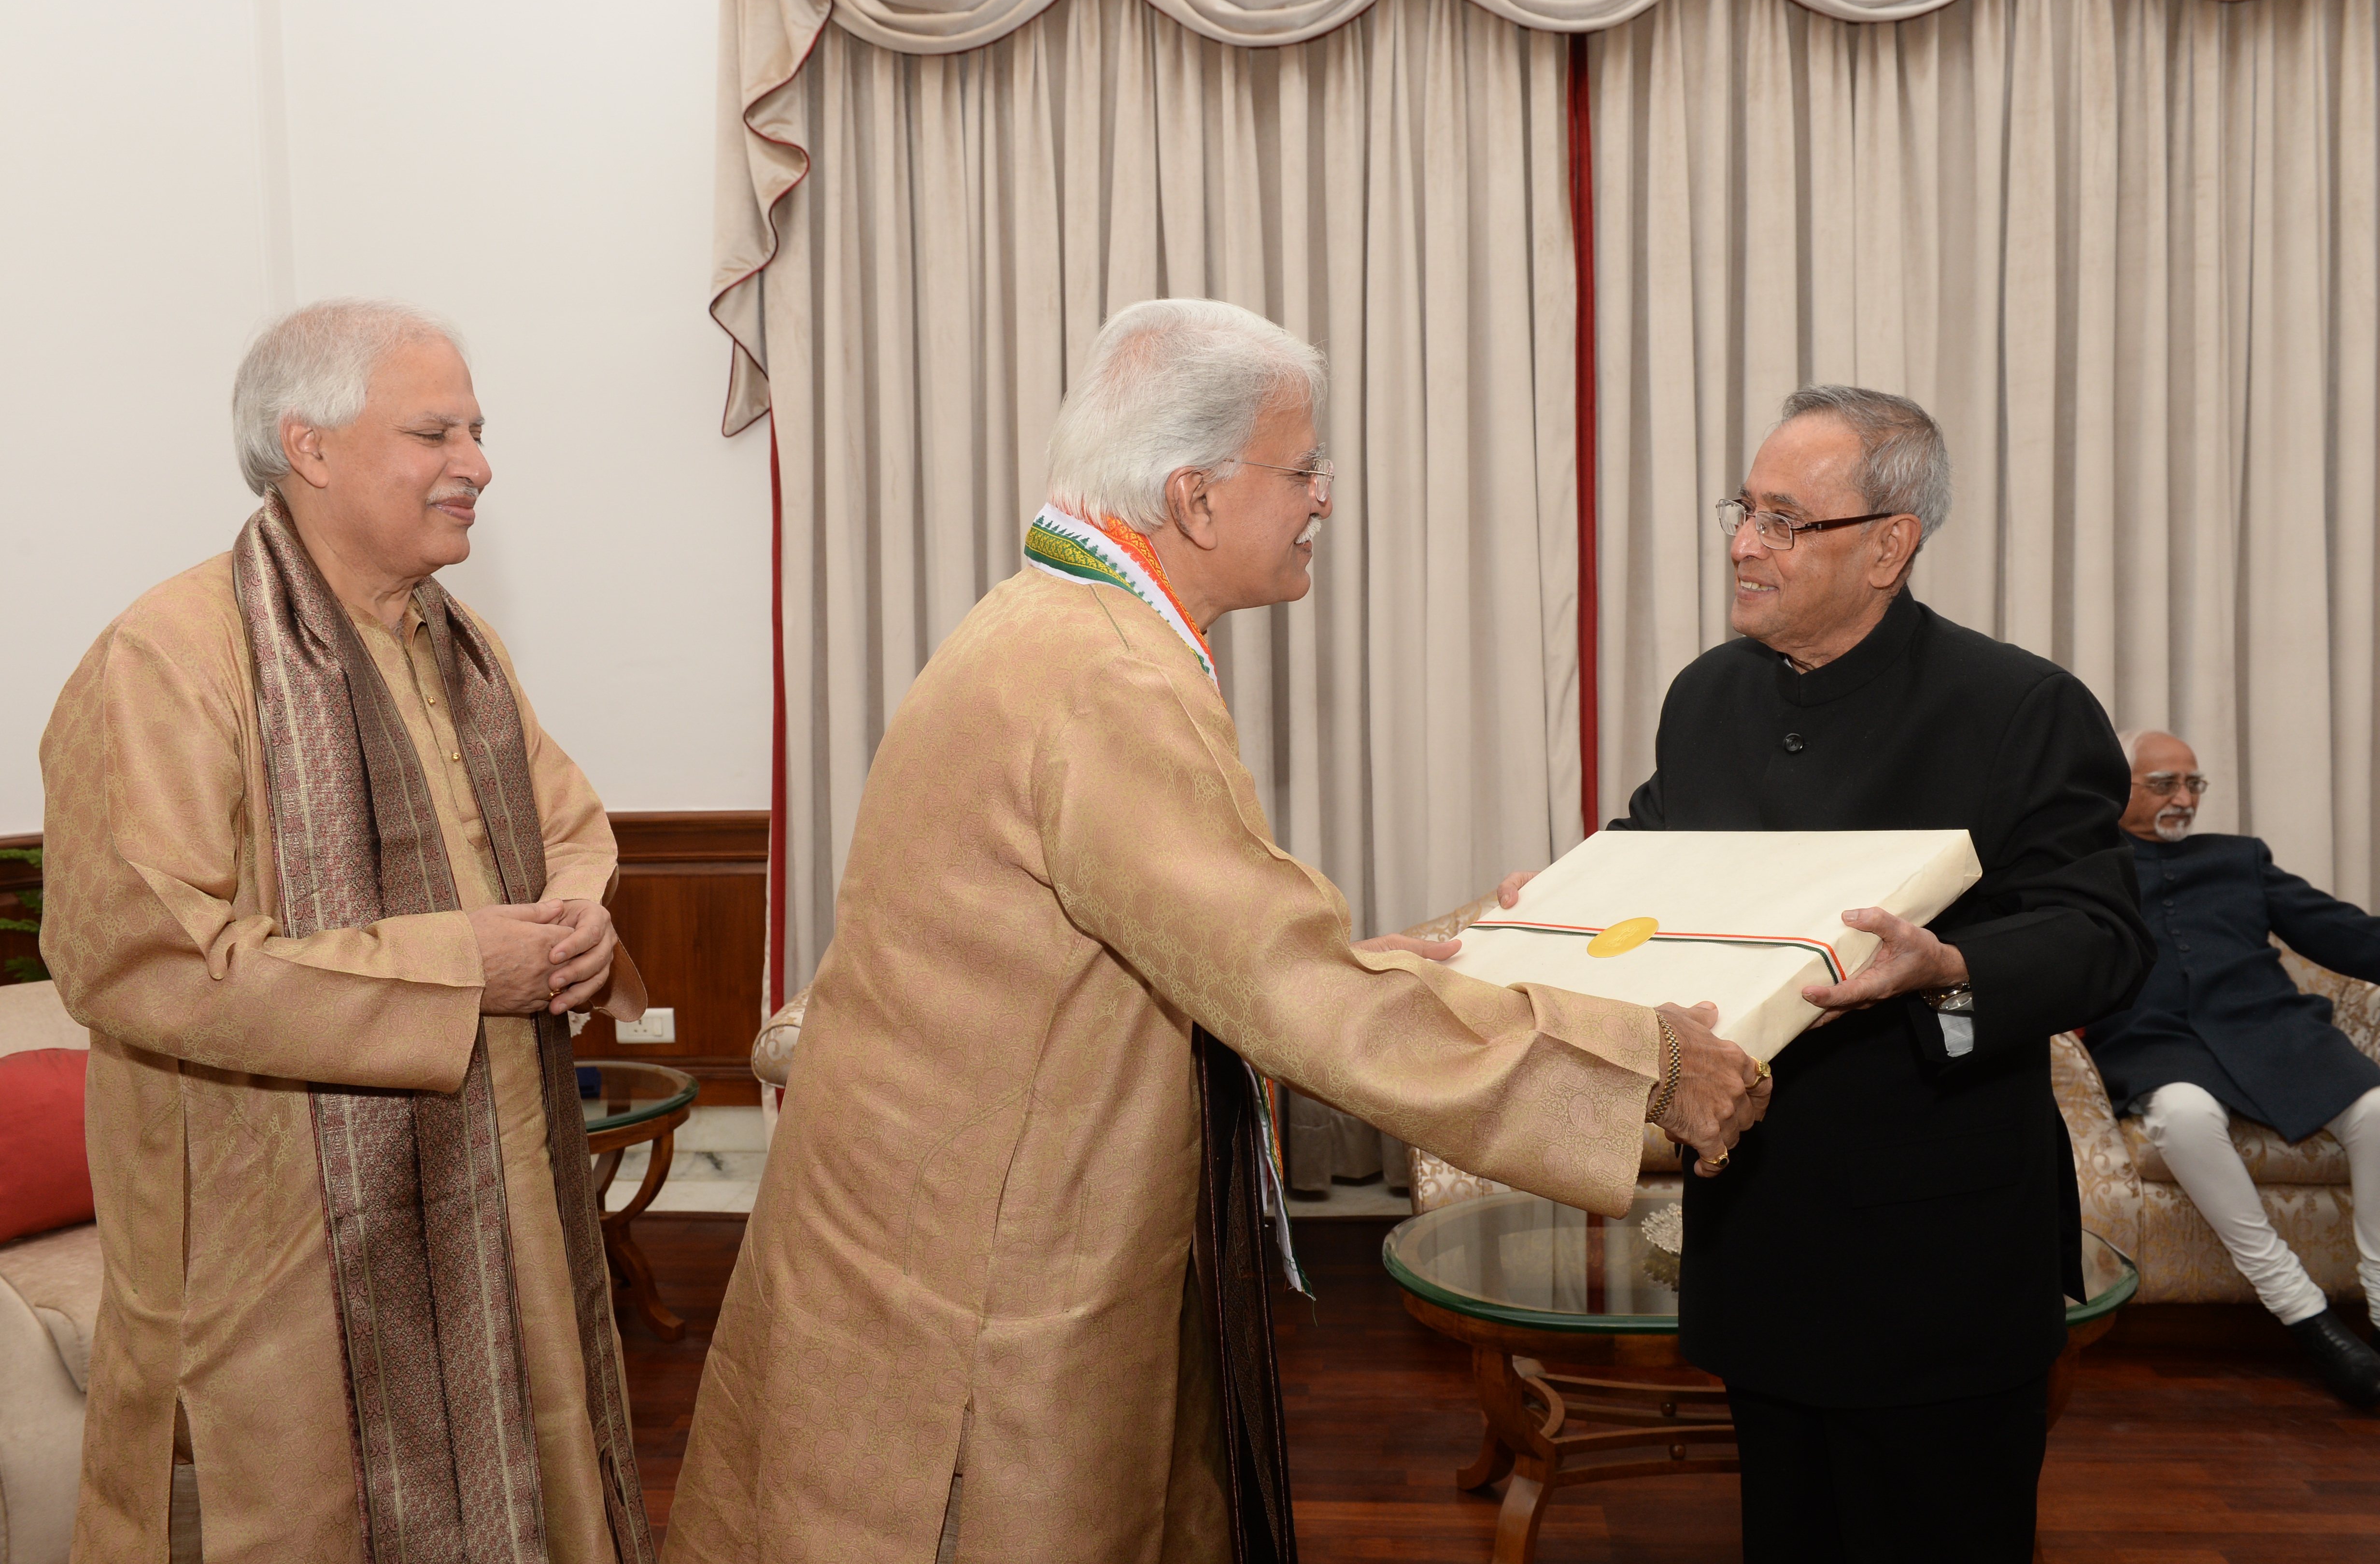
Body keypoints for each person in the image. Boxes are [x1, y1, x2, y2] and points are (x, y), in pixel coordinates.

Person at [662, 299, 1767, 1564]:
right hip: (984, 1292)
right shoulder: (1111, 681)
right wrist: (1652, 1068)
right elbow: (1291, 991)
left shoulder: (1048, 623)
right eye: (1300, 469)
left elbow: (1166, 951)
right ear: (1193, 498)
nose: (1322, 500)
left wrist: (1352, 972)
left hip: (942, 1238)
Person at [40, 300, 659, 1563]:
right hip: (283, 1266)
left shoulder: (458, 646)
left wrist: (581, 923)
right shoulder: (172, 659)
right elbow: (144, 962)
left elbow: (571, 826)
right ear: (308, 446)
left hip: (504, 1211)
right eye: (435, 432)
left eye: (477, 431)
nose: (479, 464)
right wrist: (463, 967)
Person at [1601, 386, 2152, 1562]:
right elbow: (1655, 854)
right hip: (1760, 1237)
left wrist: (1950, 964)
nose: (1745, 544)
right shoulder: (1707, 695)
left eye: (1786, 521)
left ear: (1888, 545)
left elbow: (2102, 934)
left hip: (1937, 1266)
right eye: (1744, 510)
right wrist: (1558, 909)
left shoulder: (2020, 707)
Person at [2083, 729, 2380, 1406]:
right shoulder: (2087, 864)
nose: (2184, 799)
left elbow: (2344, 933)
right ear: (2116, 789)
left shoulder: (2240, 859)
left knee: (2378, 1111)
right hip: (2150, 1038)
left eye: (2194, 785)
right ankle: (2306, 1315)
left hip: (2272, 1028)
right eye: (2165, 784)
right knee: (2184, 1115)